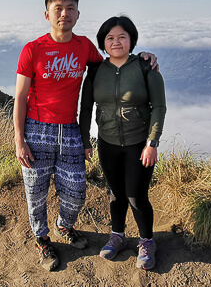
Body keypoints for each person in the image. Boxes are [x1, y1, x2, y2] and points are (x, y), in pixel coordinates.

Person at [14, 0, 157, 271]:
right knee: (36, 191)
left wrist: (142, 58)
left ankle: (64, 226)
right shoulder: (32, 49)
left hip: (69, 129)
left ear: (78, 15)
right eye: (58, 8)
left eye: (70, 8)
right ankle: (42, 240)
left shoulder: (84, 47)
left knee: (77, 189)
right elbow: (20, 96)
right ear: (47, 14)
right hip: (36, 128)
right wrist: (19, 139)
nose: (64, 13)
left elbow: (111, 63)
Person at [79, 15, 167, 270]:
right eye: (110, 38)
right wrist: (86, 141)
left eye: (122, 37)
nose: (116, 42)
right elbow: (85, 108)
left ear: (131, 40)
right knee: (115, 194)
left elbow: (159, 107)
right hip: (107, 143)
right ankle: (117, 235)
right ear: (103, 43)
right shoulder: (96, 71)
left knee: (136, 196)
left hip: (139, 144)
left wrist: (153, 143)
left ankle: (147, 241)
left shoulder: (145, 67)